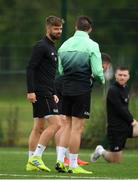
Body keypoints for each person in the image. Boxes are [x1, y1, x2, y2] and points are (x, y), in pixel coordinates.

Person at [55, 16, 105, 174]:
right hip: (81, 88)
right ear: (90, 29)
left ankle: (60, 161)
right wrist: (101, 79)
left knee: (67, 125)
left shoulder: (64, 45)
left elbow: (61, 70)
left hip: (65, 87)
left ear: (76, 27)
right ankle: (73, 165)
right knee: (77, 128)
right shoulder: (92, 45)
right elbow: (97, 72)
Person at [26, 15, 64, 172]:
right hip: (41, 92)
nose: (59, 31)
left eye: (60, 28)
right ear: (48, 28)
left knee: (39, 127)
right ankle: (36, 157)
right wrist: (30, 91)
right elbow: (30, 68)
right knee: (57, 124)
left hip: (48, 91)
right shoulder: (41, 46)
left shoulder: (52, 47)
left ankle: (30, 162)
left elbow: (48, 73)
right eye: (56, 28)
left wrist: (54, 91)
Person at [91, 66, 138, 163]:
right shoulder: (113, 90)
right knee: (115, 160)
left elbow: (125, 109)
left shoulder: (125, 89)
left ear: (128, 77)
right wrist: (132, 121)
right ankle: (101, 151)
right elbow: (120, 109)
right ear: (115, 76)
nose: (122, 77)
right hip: (116, 129)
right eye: (120, 75)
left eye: (124, 75)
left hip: (126, 125)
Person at [54, 75, 89, 166]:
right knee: (64, 124)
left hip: (72, 86)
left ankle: (71, 157)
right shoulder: (92, 67)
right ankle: (63, 158)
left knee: (75, 125)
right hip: (66, 86)